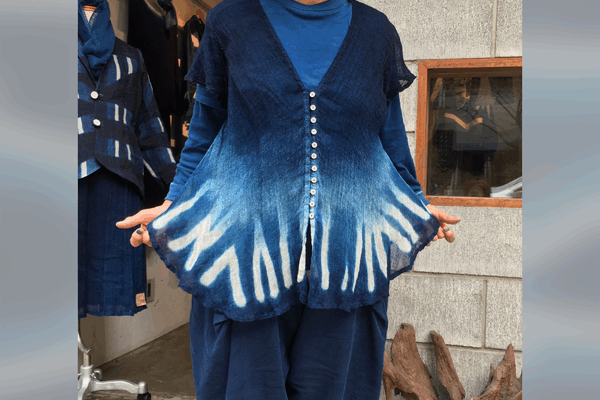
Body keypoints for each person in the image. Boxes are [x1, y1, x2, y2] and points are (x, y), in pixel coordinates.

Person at [117, 0, 460, 399]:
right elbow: (204, 132)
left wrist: (416, 206)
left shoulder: (376, 33)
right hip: (245, 254)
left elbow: (390, 138)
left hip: (349, 254)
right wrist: (174, 205)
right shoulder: (230, 21)